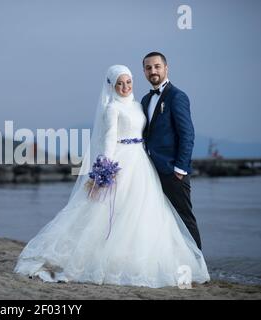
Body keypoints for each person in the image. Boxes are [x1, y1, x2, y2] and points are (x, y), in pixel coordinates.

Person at [13, 65, 210, 288]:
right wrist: (104, 172)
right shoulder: (112, 108)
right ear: (112, 86)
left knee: (144, 211)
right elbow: (108, 141)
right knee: (111, 211)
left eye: (128, 82)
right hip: (122, 161)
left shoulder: (138, 105)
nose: (125, 87)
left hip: (142, 162)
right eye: (120, 83)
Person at [141, 52, 202, 250]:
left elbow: (187, 135)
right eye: (149, 68)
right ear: (144, 72)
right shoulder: (144, 100)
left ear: (166, 68)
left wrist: (180, 169)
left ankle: (197, 267)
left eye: (157, 66)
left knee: (184, 219)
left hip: (173, 172)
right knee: (160, 219)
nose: (153, 71)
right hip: (151, 172)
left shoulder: (177, 96)